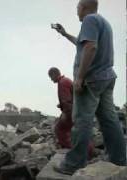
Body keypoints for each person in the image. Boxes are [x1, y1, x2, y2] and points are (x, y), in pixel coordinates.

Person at [52, 0, 126, 175]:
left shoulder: (89, 20)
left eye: (77, 8)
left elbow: (91, 47)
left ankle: (74, 163)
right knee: (109, 120)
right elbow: (82, 43)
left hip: (92, 80)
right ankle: (119, 159)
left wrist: (79, 77)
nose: (76, 11)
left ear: (84, 8)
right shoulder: (103, 22)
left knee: (82, 120)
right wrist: (64, 34)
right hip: (106, 78)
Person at [48, 67, 94, 157]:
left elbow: (67, 101)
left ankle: (76, 152)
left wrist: (65, 113)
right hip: (77, 109)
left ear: (55, 74)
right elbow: (71, 97)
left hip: (71, 111)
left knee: (59, 130)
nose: (51, 79)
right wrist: (61, 105)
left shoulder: (62, 83)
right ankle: (90, 150)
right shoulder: (66, 80)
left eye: (51, 76)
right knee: (76, 132)